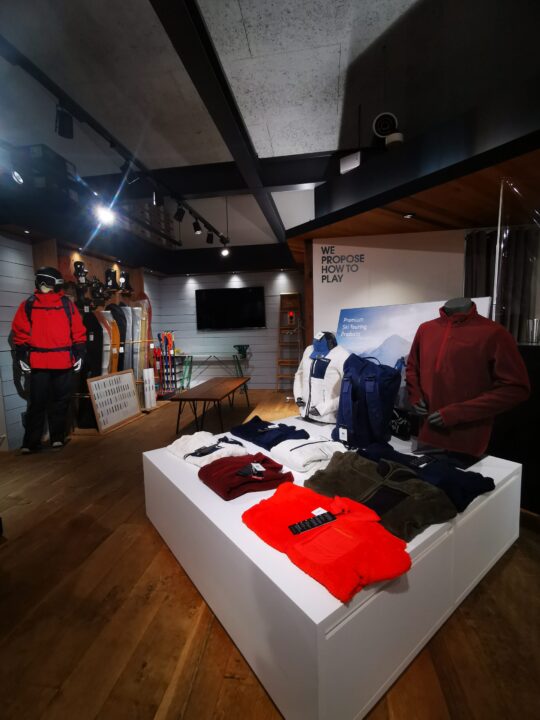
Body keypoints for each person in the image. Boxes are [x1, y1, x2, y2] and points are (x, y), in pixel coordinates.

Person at [11, 266, 87, 453]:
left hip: (59, 361)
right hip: (43, 362)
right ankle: (37, 441)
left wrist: (79, 353)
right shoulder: (29, 304)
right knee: (43, 403)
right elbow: (20, 332)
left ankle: (51, 439)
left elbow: (77, 330)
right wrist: (21, 355)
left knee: (54, 402)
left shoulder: (65, 304)